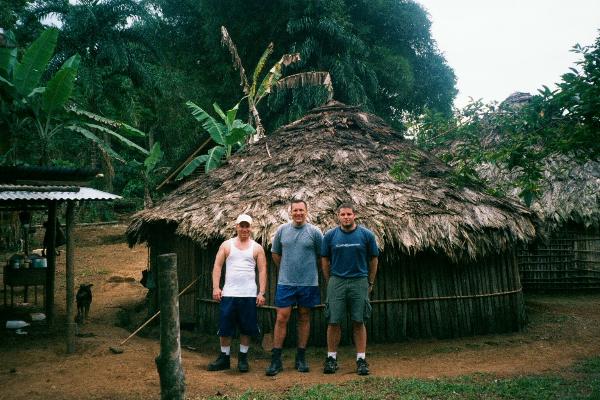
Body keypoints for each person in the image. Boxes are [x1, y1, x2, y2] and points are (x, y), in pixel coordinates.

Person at [266, 199, 323, 376]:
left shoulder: (315, 232)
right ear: (290, 212)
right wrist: (287, 269)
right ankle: (276, 360)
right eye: (295, 210)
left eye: (301, 210)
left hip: (308, 283)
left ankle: (301, 358)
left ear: (306, 211)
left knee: (304, 317)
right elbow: (275, 253)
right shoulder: (282, 231)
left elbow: (321, 256)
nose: (298, 213)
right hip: (286, 283)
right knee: (281, 317)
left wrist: (308, 270)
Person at [321, 203, 379, 376]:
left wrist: (370, 282)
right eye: (343, 214)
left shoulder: (366, 235)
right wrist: (330, 280)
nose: (346, 217)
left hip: (359, 281)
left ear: (355, 215)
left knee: (359, 321)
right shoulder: (330, 236)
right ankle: (331, 358)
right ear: (338, 216)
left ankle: (361, 359)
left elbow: (374, 259)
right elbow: (324, 259)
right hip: (337, 280)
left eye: (349, 214)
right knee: (333, 321)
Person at [207, 214, 267, 373]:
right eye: (242, 226)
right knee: (225, 327)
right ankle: (224, 358)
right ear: (236, 227)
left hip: (249, 294)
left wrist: (261, 292)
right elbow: (217, 266)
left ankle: (243, 359)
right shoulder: (226, 245)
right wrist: (216, 288)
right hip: (229, 294)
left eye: (247, 226)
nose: (244, 229)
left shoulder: (257, 248)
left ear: (251, 228)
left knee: (246, 328)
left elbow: (262, 270)